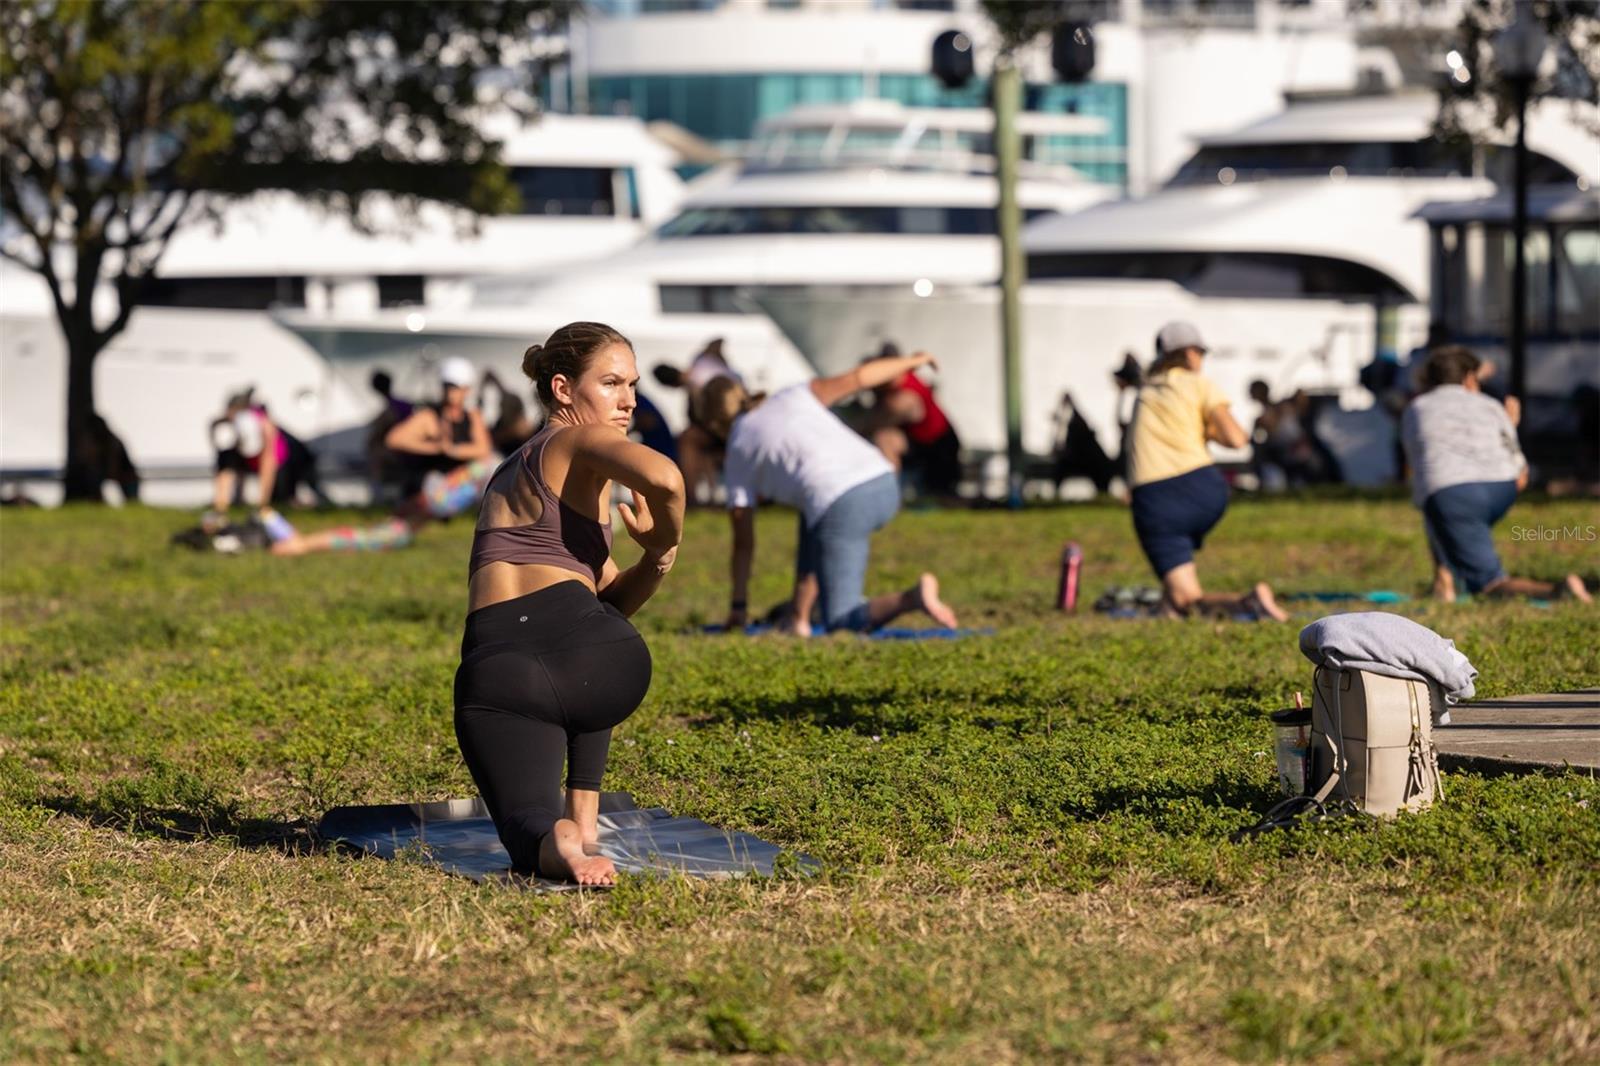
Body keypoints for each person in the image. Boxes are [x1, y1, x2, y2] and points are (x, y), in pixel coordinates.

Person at [453, 322, 685, 886]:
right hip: (603, 662)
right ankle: (583, 820)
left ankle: (562, 841)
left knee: (526, 826)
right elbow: (667, 479)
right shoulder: (577, 441)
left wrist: (653, 560)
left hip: (504, 670)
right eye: (610, 383)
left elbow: (604, 593)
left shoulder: (510, 473)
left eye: (630, 384)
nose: (628, 399)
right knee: (588, 636)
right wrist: (666, 540)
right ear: (563, 390)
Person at [701, 350, 959, 636]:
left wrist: (738, 607)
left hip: (844, 504)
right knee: (812, 511)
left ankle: (912, 598)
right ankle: (798, 617)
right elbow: (860, 377)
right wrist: (912, 362)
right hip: (883, 480)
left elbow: (743, 544)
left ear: (713, 423)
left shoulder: (736, 451)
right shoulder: (793, 395)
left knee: (839, 619)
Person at [1401, 345, 1591, 604]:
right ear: (1469, 378)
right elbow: (1519, 468)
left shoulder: (1416, 408)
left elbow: (1421, 468)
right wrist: (1509, 423)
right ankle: (1443, 583)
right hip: (1503, 488)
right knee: (1444, 515)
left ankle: (1558, 591)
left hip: (1452, 494)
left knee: (1488, 583)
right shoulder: (1490, 405)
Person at [1127, 322, 1289, 621]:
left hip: (1156, 498)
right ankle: (1234, 604)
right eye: (1201, 352)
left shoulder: (1145, 392)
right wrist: (1204, 429)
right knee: (1180, 596)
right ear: (1189, 354)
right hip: (1205, 488)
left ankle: (1245, 603)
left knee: (1183, 595)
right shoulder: (1198, 384)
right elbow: (1237, 438)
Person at [206, 389, 328, 527]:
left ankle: (308, 504)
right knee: (226, 463)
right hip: (250, 453)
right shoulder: (224, 429)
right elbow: (226, 470)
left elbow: (268, 467)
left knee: (281, 501)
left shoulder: (266, 427)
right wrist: (222, 507)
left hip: (290, 459)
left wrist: (263, 504)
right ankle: (221, 511)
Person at [861, 342, 963, 499]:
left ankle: (889, 497)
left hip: (939, 451)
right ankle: (887, 495)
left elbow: (875, 422)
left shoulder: (905, 395)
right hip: (919, 445)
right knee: (884, 439)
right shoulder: (895, 388)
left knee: (883, 438)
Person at [385, 357, 494, 496]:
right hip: (436, 482)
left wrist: (452, 450)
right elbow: (394, 440)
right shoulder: (429, 417)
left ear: (466, 389)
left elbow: (484, 449)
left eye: (454, 387)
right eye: (447, 386)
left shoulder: (472, 416)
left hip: (461, 482)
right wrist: (434, 447)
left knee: (489, 466)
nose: (450, 392)